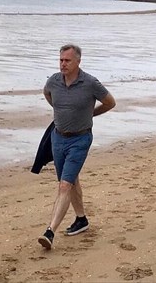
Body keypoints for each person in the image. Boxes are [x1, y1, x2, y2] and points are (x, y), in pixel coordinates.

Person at [38, 44, 116, 249]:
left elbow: (110, 102)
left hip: (80, 140)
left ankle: (50, 232)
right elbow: (48, 95)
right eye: (61, 60)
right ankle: (81, 219)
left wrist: (90, 114)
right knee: (71, 181)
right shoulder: (53, 81)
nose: (63, 64)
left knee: (64, 185)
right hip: (57, 137)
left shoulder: (90, 83)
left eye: (67, 60)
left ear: (78, 61)